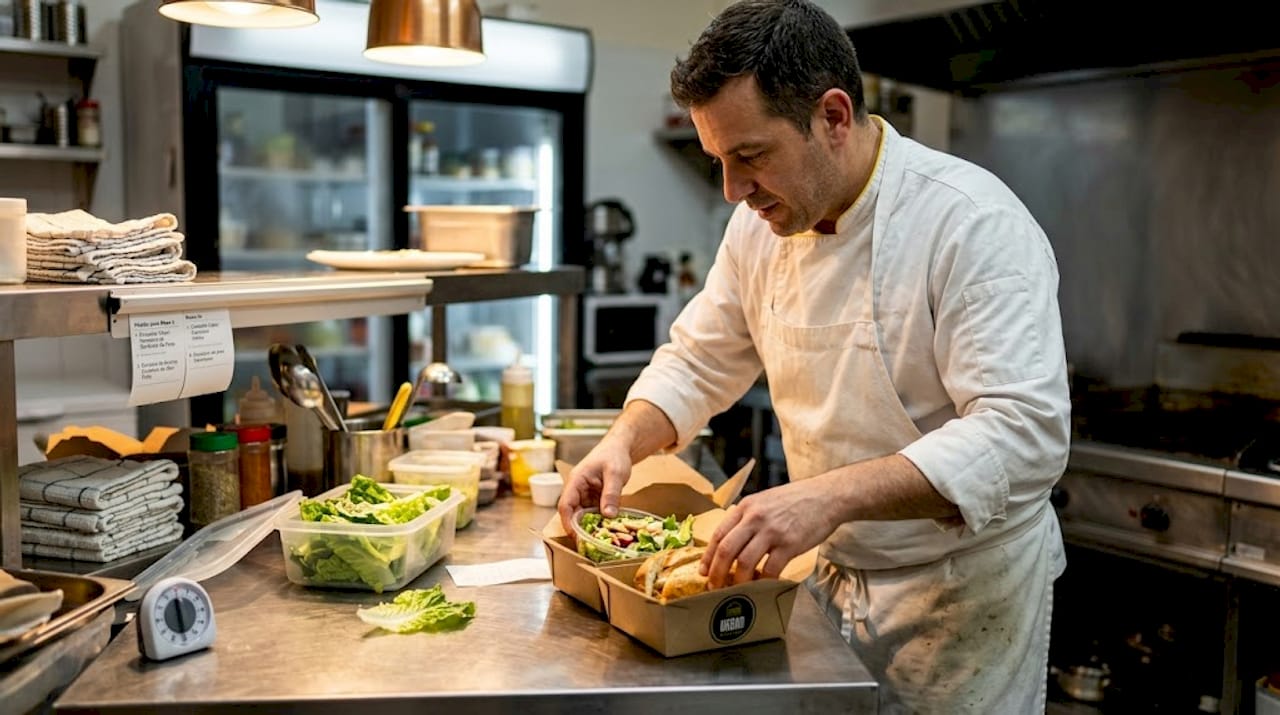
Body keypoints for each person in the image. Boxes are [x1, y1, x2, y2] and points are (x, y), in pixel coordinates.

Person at [558, 0, 1071, 712]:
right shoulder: (758, 227)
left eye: (751, 157)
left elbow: (1023, 434)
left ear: (832, 117)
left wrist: (824, 497)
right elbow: (700, 356)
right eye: (719, 163)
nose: (735, 191)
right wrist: (623, 441)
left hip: (959, 597)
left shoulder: (970, 222)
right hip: (833, 579)